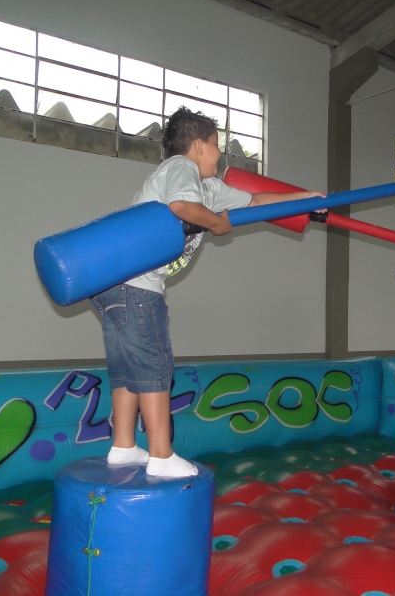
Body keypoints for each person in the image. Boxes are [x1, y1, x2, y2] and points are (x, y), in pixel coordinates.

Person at [91, 107, 323, 477]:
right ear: (198, 146)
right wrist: (216, 223)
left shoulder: (210, 188)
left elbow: (257, 202)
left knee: (128, 370)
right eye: (216, 145)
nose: (220, 153)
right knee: (154, 366)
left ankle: (123, 447)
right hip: (137, 285)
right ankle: (162, 455)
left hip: (111, 284)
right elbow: (182, 207)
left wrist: (304, 197)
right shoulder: (180, 167)